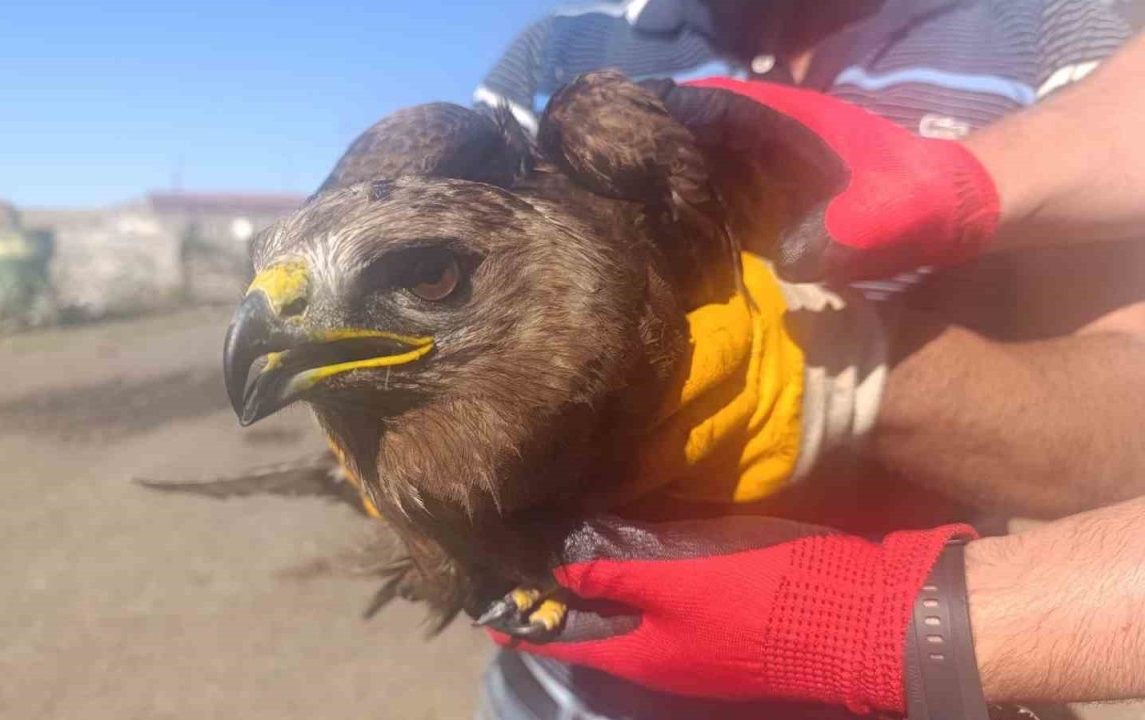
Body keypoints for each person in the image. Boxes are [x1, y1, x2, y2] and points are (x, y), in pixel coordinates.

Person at [475, 2, 1145, 717]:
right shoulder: (556, 52)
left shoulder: (1050, 25)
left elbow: (1128, 427)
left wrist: (836, 373)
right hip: (564, 695)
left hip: (913, 695)